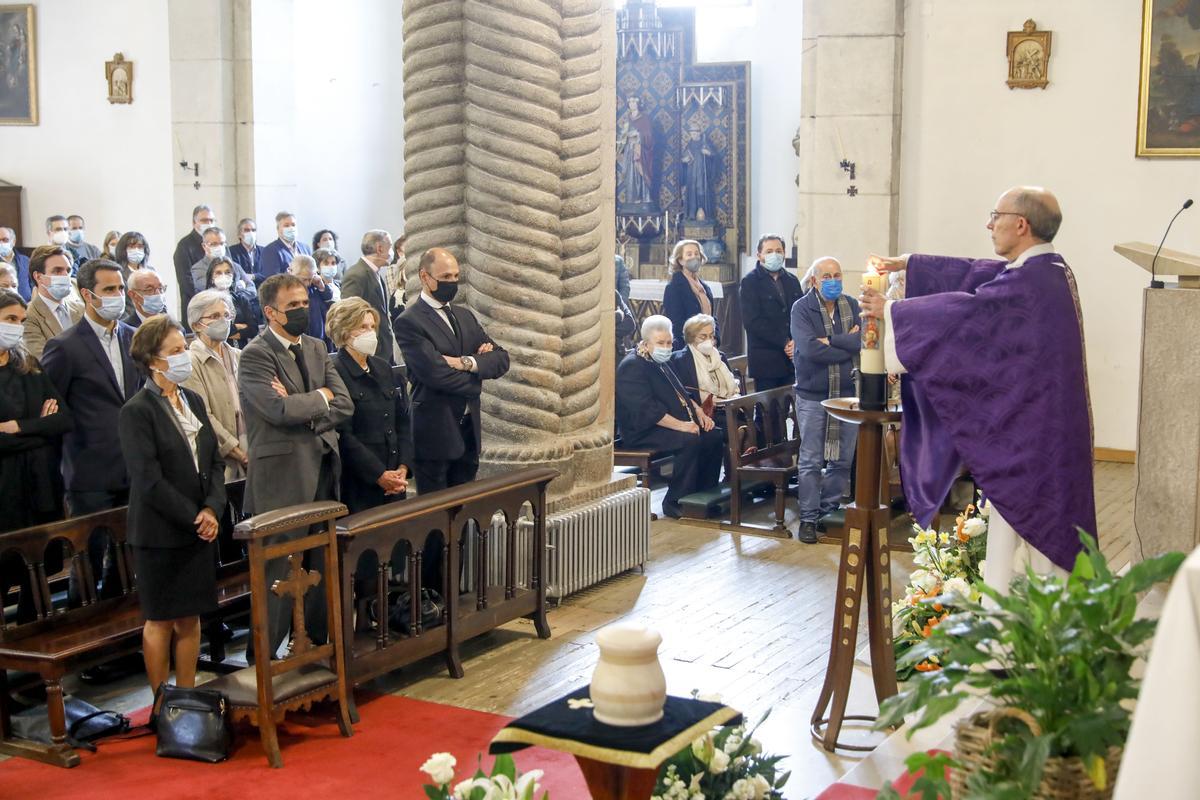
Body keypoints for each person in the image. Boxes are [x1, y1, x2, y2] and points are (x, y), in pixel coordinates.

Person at [859, 185, 1095, 588]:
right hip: (1047, 434)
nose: (989, 223)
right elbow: (980, 272)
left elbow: (971, 310)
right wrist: (911, 264)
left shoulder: (1029, 283)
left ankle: (1026, 634)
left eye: (996, 215)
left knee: (1031, 544)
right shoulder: (1046, 271)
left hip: (1032, 446)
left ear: (1020, 224)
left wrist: (893, 310)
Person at [238, 273, 352, 660]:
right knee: (279, 573)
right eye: (293, 307)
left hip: (322, 469)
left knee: (321, 563)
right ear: (271, 312)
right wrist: (319, 397)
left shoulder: (317, 347)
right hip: (282, 479)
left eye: (305, 303)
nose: (303, 311)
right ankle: (264, 659)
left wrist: (308, 405)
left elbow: (344, 404)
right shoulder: (257, 354)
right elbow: (275, 409)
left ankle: (316, 647)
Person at [120, 314, 225, 693]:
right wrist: (194, 516)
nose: (184, 356)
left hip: (199, 526)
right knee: (162, 619)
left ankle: (188, 694)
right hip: (161, 531)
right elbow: (148, 479)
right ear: (153, 361)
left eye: (184, 348)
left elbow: (213, 460)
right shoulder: (137, 411)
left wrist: (212, 508)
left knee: (190, 618)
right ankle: (162, 701)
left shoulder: (192, 400)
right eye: (176, 351)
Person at [394, 247, 508, 591]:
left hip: (466, 432)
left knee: (458, 519)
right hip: (434, 433)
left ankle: (454, 591)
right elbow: (433, 376)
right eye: (445, 278)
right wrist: (475, 372)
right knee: (435, 523)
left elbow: (501, 359)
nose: (452, 283)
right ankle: (431, 595)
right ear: (425, 278)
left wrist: (465, 362)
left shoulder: (464, 315)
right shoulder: (410, 322)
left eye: (455, 277)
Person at [42, 259, 143, 600]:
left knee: (127, 561)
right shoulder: (65, 346)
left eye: (120, 289)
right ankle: (82, 634)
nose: (118, 296)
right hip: (89, 472)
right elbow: (54, 412)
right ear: (88, 294)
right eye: (109, 290)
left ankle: (121, 636)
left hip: (133, 466)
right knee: (87, 564)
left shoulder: (133, 338)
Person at [0, 290, 72, 621]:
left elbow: (62, 420)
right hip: (5, 491)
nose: (17, 327)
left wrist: (19, 427)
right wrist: (38, 429)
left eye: (21, 320)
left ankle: (37, 645)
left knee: (38, 570)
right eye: (10, 320)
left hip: (40, 485)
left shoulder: (29, 365)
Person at [616, 315, 723, 518]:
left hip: (666, 423)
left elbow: (680, 390)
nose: (666, 347)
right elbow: (648, 411)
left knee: (714, 435)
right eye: (660, 343)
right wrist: (684, 426)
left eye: (668, 342)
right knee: (690, 440)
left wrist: (698, 412)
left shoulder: (660, 360)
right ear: (646, 343)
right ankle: (676, 501)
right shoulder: (632, 366)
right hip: (642, 431)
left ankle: (702, 497)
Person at [791, 256, 861, 544]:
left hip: (847, 393)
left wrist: (830, 341)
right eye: (827, 276)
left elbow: (864, 342)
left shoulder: (852, 305)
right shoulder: (802, 308)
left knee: (842, 459)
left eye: (837, 275)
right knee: (810, 460)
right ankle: (807, 518)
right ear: (814, 281)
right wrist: (846, 342)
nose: (833, 280)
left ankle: (828, 511)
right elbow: (808, 350)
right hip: (813, 394)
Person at [327, 297, 413, 513]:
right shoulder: (335, 371)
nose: (370, 332)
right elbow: (343, 435)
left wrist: (403, 466)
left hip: (395, 478)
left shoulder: (382, 367)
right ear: (345, 332)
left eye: (372, 327)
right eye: (363, 327)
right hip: (360, 483)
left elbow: (402, 420)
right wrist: (379, 474)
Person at [183, 290, 248, 481]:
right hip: (221, 454)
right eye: (214, 316)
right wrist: (237, 452)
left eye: (226, 315)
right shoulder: (191, 362)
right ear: (196, 324)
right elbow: (203, 415)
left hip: (251, 441)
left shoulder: (240, 355)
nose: (223, 321)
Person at [741, 234, 803, 391]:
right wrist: (784, 342)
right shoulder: (750, 282)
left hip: (791, 359)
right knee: (769, 413)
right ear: (759, 255)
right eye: (769, 251)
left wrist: (796, 340)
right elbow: (752, 321)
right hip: (766, 360)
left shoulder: (792, 280)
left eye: (778, 250)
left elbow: (801, 315)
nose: (774, 255)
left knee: (792, 409)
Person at [342, 229, 400, 365]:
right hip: (369, 351)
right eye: (390, 246)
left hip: (383, 350)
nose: (392, 251)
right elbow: (348, 314)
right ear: (380, 248)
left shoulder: (376, 274)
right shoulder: (356, 274)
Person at [669, 313, 740, 413]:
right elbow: (681, 395)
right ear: (691, 337)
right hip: (701, 413)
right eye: (703, 337)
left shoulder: (720, 356)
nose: (709, 341)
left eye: (711, 336)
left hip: (729, 408)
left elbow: (733, 386)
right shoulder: (679, 360)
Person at [24, 245, 83, 359]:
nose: (65, 275)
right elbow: (44, 359)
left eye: (68, 270)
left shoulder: (82, 309)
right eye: (57, 271)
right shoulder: (28, 315)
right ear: (39, 277)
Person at [662, 239, 718, 350]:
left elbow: (712, 317)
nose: (694, 257)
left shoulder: (704, 287)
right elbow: (676, 323)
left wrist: (716, 339)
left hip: (708, 345)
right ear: (681, 260)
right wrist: (696, 342)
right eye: (689, 254)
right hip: (688, 347)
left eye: (697, 254)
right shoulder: (674, 287)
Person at [205, 256, 260, 347]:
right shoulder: (205, 302)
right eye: (218, 273)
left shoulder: (241, 299)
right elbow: (212, 331)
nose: (223, 276)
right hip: (217, 350)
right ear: (211, 277)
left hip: (242, 351)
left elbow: (253, 329)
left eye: (227, 272)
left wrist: (232, 332)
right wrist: (238, 327)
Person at [173, 204, 215, 316]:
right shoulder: (184, 245)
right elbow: (185, 281)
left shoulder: (220, 243)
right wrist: (206, 300)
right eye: (204, 220)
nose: (209, 224)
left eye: (211, 220)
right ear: (194, 222)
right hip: (196, 307)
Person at [287, 254, 335, 350]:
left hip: (320, 338)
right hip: (300, 340)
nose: (308, 283)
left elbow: (328, 296)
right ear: (291, 272)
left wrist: (321, 286)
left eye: (310, 279)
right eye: (304, 279)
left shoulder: (314, 284)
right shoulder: (284, 288)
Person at [259, 211, 310, 278]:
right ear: (278, 229)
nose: (291, 228)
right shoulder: (270, 250)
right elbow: (272, 279)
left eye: (293, 225)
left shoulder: (305, 248)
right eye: (286, 225)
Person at [0, 227, 32, 300]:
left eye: (5, 240)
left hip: (26, 304)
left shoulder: (25, 260)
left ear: (13, 242)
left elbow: (32, 284)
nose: (1, 243)